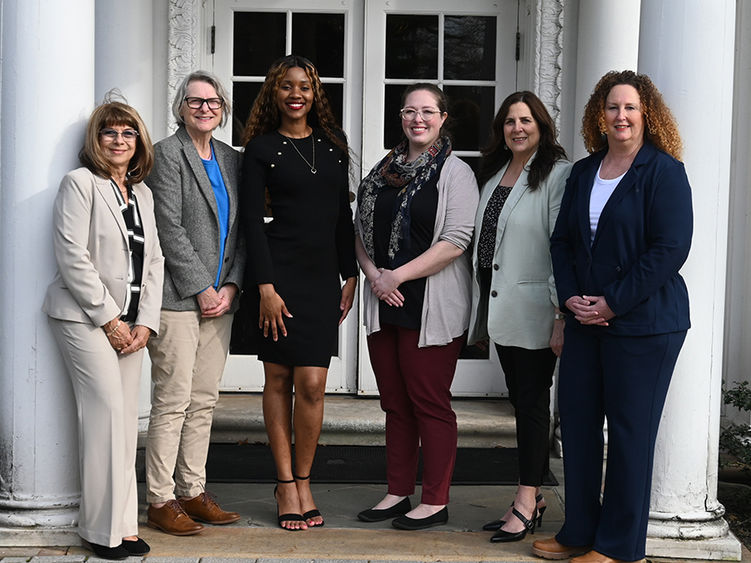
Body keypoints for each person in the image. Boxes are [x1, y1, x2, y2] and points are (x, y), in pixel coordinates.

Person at [532, 70, 692, 563]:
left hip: (644, 326)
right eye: (611, 108)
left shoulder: (663, 172)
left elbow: (669, 250)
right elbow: (562, 241)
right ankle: (579, 533)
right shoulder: (584, 172)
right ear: (598, 116)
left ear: (647, 115)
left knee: (628, 435)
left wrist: (612, 302)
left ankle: (620, 548)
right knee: (577, 428)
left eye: (630, 108)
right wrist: (574, 299)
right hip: (584, 321)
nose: (620, 117)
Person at [240, 55, 358, 531]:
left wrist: (350, 275)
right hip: (278, 273)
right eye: (286, 86)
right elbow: (251, 222)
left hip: (320, 276)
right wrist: (264, 287)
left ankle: (305, 478)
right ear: (275, 93)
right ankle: (286, 484)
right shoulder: (261, 149)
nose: (296, 94)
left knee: (312, 382)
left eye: (305, 87)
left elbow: (340, 216)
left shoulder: (334, 146)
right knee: (279, 379)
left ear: (315, 95)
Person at [43, 98, 163, 560]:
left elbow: (154, 261)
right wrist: (110, 320)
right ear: (97, 140)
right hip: (84, 318)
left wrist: (146, 323)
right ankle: (98, 530)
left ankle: (124, 527)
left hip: (133, 326)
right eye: (110, 132)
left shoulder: (143, 193)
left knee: (124, 424)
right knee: (105, 417)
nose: (119, 140)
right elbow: (72, 257)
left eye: (128, 133)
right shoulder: (80, 184)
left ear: (138, 142)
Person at [354, 83, 479, 530]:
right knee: (395, 403)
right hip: (384, 302)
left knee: (429, 402)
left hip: (431, 305)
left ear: (443, 117)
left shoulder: (456, 172)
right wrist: (373, 275)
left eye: (428, 111)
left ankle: (435, 499)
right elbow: (360, 231)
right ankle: (397, 490)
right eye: (410, 111)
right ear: (401, 118)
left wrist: (397, 276)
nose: (418, 119)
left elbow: (455, 241)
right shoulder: (382, 170)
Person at [467, 91, 571, 543]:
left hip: (535, 310)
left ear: (541, 125)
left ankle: (527, 501)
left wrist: (560, 313)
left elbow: (559, 247)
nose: (517, 128)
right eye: (509, 121)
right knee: (521, 402)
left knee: (531, 405)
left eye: (526, 120)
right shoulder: (493, 175)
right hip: (499, 305)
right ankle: (531, 496)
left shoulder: (555, 174)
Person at [144, 70, 244, 536]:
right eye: (195, 101)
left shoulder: (230, 158)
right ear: (180, 107)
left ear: (223, 109)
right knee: (173, 399)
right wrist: (202, 286)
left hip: (222, 299)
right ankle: (160, 499)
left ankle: (191, 489)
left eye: (213, 102)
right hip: (178, 298)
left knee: (203, 400)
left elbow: (241, 231)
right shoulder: (166, 155)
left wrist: (230, 286)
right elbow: (169, 227)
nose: (205, 108)